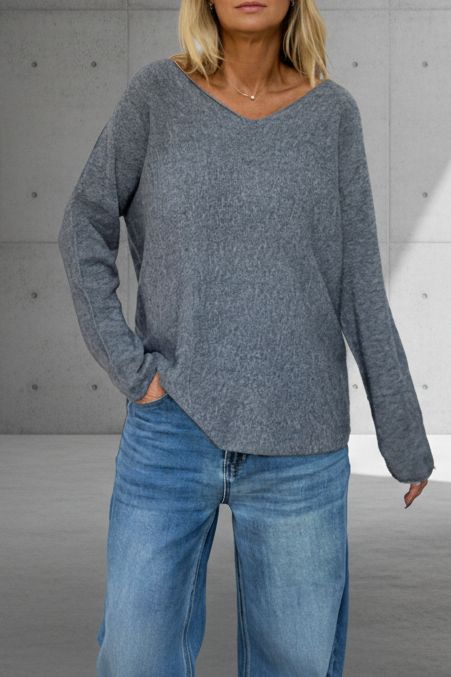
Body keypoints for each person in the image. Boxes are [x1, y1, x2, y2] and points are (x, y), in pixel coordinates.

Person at [58, 0, 435, 674]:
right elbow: (84, 222)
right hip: (171, 428)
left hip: (300, 442)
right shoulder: (156, 96)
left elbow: (358, 280)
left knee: (295, 664)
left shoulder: (331, 115)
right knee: (135, 658)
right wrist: (132, 370)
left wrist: (403, 436)